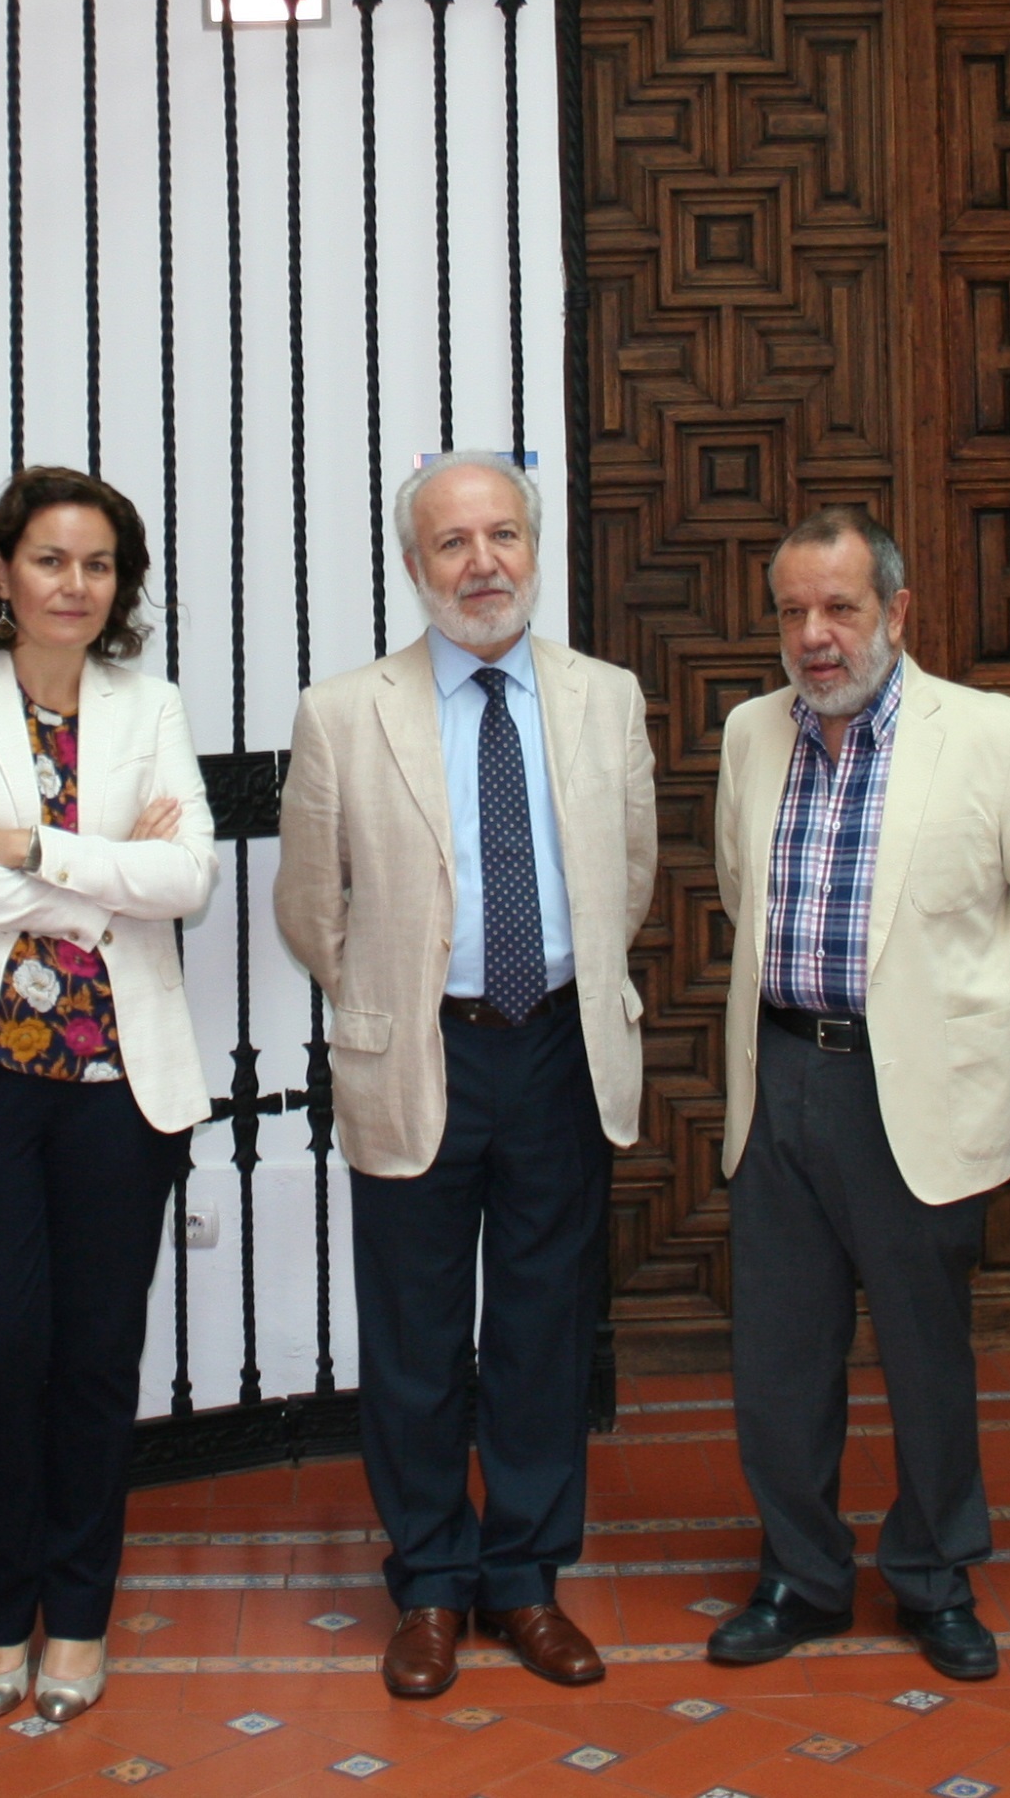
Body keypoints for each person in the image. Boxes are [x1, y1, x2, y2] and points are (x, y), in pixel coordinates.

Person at [275, 449, 657, 1700]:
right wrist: (390, 990)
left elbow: (628, 878)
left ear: (533, 549)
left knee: (546, 1331)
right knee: (417, 1341)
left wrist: (553, 976)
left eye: (502, 535)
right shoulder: (345, 712)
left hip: (554, 1046)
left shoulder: (605, 697)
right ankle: (432, 1583)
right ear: (412, 564)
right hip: (420, 1051)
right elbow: (307, 907)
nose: (481, 561)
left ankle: (528, 1579)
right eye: (453, 542)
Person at [704, 508, 1010, 1681]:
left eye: (840, 608)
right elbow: (741, 892)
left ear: (897, 611)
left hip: (909, 1086)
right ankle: (802, 1575)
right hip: (778, 1077)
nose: (814, 636)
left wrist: (961, 1015)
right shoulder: (746, 734)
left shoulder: (994, 736)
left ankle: (933, 1574)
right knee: (778, 1354)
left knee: (927, 1353)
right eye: (792, 612)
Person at [0, 467, 219, 1725]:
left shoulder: (151, 701)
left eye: (98, 564)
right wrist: (100, 877)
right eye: (50, 559)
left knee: (94, 1357)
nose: (74, 584)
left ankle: (75, 1617)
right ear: (0, 571)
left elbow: (187, 880)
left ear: (118, 586)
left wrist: (25, 848)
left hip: (118, 1089)